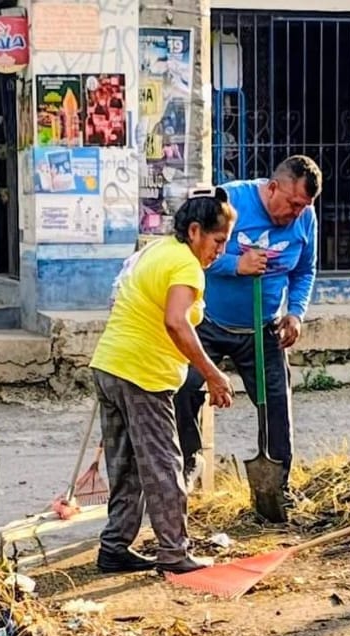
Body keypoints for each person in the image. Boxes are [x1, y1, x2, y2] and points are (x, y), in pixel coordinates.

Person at [87, 187, 238, 575]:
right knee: (163, 464)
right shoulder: (185, 265)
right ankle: (174, 551)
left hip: (109, 365)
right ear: (194, 232)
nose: (219, 251)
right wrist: (213, 373)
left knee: (126, 466)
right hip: (142, 373)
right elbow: (177, 322)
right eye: (218, 241)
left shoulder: (156, 250)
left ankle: (115, 547)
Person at [173, 155, 321, 517]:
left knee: (275, 403)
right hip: (208, 323)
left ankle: (275, 486)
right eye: (292, 204)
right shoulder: (230, 201)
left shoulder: (306, 220)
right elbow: (187, 252)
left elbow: (305, 270)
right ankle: (187, 471)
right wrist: (235, 265)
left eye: (304, 207)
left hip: (264, 328)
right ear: (272, 187)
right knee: (186, 389)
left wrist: (296, 313)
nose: (296, 213)